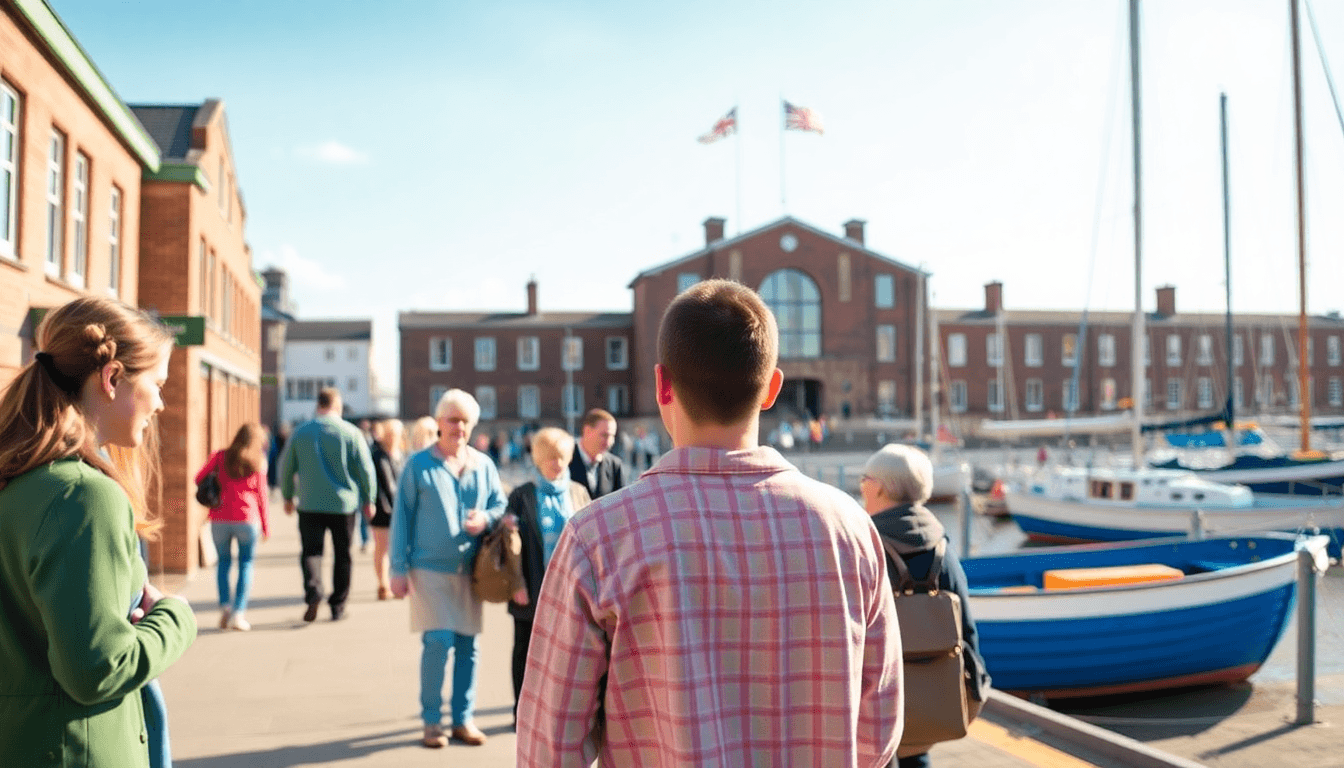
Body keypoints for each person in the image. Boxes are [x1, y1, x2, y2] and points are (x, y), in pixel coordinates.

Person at [517, 280, 902, 766]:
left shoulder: (598, 538)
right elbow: (878, 732)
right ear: (771, 388)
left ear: (662, 384)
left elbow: (548, 746)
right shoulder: (851, 529)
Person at [0, 296, 197, 767]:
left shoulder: (18, 479)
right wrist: (176, 618)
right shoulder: (84, 496)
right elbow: (96, 671)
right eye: (158, 383)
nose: (162, 402)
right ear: (112, 379)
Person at [859, 443, 990, 768]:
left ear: (879, 487)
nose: (861, 485)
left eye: (864, 478)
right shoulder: (942, 547)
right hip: (934, 695)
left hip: (878, 698)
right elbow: (967, 630)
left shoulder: (864, 543)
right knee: (917, 754)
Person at [389, 389, 506, 749]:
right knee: (438, 642)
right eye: (452, 419)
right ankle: (430, 722)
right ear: (439, 422)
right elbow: (401, 518)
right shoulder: (418, 465)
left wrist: (485, 517)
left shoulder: (483, 465)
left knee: (468, 646)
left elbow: (500, 504)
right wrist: (397, 568)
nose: (458, 427)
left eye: (465, 421)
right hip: (428, 569)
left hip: (471, 571)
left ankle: (463, 719)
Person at [502, 427, 591, 720]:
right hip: (530, 587)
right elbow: (510, 546)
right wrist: (517, 584)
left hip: (570, 591)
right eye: (551, 457)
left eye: (563, 457)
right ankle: (522, 713)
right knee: (525, 654)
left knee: (567, 656)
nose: (558, 463)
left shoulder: (579, 492)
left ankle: (560, 714)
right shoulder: (521, 496)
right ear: (539, 459)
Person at [277, 387, 375, 622]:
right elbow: (366, 470)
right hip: (343, 505)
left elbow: (286, 467)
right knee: (343, 555)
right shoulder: (351, 433)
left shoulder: (301, 432)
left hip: (309, 503)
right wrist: (369, 499)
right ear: (337, 406)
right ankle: (338, 605)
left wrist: (288, 496)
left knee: (311, 552)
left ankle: (313, 592)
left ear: (318, 406)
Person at [196, 422, 271, 632]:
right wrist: (266, 526)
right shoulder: (258, 461)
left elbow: (198, 478)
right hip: (247, 520)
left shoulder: (220, 456)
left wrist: (218, 482)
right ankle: (239, 613)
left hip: (219, 518)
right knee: (246, 564)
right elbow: (262, 496)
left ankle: (225, 607)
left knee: (223, 563)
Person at [369, 417, 405, 600]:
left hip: (394, 507)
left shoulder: (396, 454)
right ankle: (383, 584)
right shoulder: (379, 455)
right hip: (384, 508)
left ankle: (390, 583)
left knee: (392, 549)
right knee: (383, 548)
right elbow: (387, 485)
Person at [567, 407, 627, 500]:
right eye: (604, 435)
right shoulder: (565, 460)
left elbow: (621, 504)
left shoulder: (614, 465)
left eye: (612, 436)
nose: (609, 442)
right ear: (587, 431)